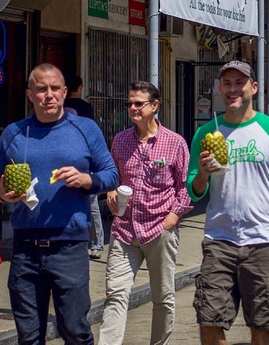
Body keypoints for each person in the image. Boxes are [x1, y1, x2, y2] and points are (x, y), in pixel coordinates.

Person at [186, 60, 269, 345]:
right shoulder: (206, 133)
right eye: (227, 84)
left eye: (239, 83)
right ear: (219, 89)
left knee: (262, 323)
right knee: (209, 319)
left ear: (253, 88)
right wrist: (203, 174)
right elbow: (194, 190)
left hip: (264, 242)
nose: (233, 89)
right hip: (218, 241)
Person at [0, 63, 119, 344]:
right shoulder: (14, 133)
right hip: (24, 249)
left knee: (74, 329)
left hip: (69, 246)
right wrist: (1, 192)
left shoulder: (85, 129)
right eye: (41, 89)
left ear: (64, 92)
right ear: (30, 94)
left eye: (54, 88)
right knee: (29, 335)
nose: (49, 95)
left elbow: (111, 174)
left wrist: (86, 180)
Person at [98, 81, 191, 345]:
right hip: (124, 230)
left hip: (159, 230)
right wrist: (110, 192)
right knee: (116, 295)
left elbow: (186, 188)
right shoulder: (121, 140)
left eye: (139, 103)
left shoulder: (175, 143)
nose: (133, 108)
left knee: (162, 296)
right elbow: (112, 177)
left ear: (155, 106)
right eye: (129, 103)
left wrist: (172, 218)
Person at [64, 74, 104, 260]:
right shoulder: (86, 108)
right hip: (85, 161)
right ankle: (96, 244)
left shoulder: (58, 108)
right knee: (93, 204)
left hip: (64, 161)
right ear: (79, 87)